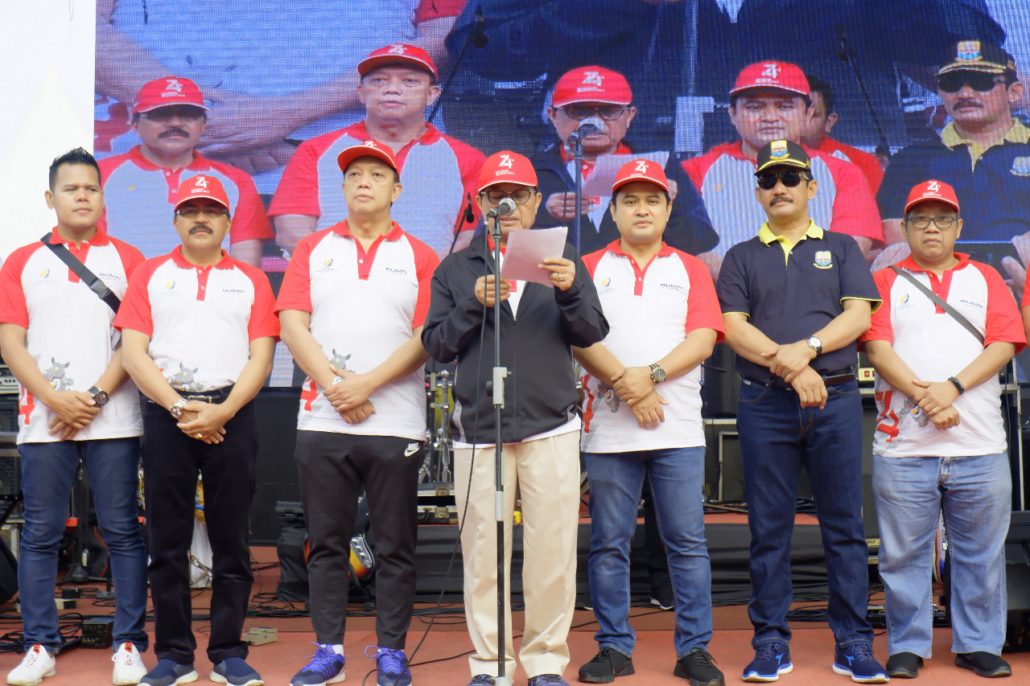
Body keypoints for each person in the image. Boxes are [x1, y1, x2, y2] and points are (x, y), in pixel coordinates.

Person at [421, 151, 608, 686]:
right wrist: (471, 305)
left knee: (552, 553)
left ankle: (545, 662)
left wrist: (570, 289)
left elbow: (592, 331)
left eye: (518, 195)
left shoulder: (562, 259)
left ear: (534, 201)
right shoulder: (458, 267)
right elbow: (436, 345)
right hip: (480, 431)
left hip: (551, 426)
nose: (507, 205)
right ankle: (491, 665)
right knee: (485, 554)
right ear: (480, 203)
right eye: (495, 195)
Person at [716, 140, 887, 684]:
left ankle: (853, 642)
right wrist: (793, 369)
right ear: (758, 192)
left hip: (835, 399)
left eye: (791, 178)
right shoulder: (741, 255)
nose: (780, 188)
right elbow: (733, 328)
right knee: (769, 528)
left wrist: (807, 350)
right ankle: (770, 641)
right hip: (765, 401)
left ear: (812, 187)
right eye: (769, 180)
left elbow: (858, 316)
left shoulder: (841, 247)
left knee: (845, 526)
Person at [276, 140, 439, 686]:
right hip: (323, 419)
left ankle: (391, 651)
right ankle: (328, 652)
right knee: (326, 543)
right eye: (354, 175)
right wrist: (335, 387)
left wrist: (366, 383)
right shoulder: (312, 248)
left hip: (396, 420)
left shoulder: (420, 254)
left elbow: (426, 336)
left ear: (397, 190)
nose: (363, 181)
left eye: (376, 174)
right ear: (342, 188)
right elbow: (292, 325)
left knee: (395, 545)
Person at [116, 175, 279, 686]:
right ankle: (174, 654)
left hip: (232, 413)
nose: (200, 218)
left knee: (232, 541)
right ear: (176, 220)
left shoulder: (251, 279)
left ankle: (228, 651)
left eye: (211, 210)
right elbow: (133, 352)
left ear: (228, 222)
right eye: (190, 210)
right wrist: (179, 408)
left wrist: (222, 411)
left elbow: (262, 357)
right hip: (167, 416)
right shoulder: (150, 274)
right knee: (166, 542)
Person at [0, 148, 149, 686]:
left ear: (103, 197)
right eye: (71, 188)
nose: (82, 196)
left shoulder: (130, 258)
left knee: (122, 530)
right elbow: (11, 342)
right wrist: (54, 399)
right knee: (41, 534)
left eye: (91, 188)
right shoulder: (22, 261)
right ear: (51, 198)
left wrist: (95, 397)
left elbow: (135, 342)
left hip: (116, 417)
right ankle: (40, 643)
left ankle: (129, 643)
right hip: (46, 418)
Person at [863, 180, 1023, 680]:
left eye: (942, 219)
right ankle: (908, 645)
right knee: (901, 556)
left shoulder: (986, 278)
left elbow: (1005, 343)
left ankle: (978, 643)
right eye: (920, 219)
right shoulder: (883, 280)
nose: (931, 227)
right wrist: (927, 398)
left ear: (959, 227)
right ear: (905, 228)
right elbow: (877, 350)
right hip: (904, 446)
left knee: (981, 554)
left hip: (979, 444)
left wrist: (950, 388)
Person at [574, 159, 725, 686]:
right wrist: (628, 386)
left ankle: (695, 650)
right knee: (608, 543)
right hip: (608, 427)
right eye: (630, 201)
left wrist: (651, 377)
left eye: (652, 201)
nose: (642, 209)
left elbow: (703, 339)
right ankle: (614, 647)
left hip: (676, 427)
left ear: (667, 210)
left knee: (686, 543)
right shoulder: (588, 266)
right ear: (613, 212)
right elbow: (579, 338)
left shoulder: (691, 268)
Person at [94, 0, 462, 178]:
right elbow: (74, 26)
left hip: (357, 168)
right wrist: (185, 112)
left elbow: (449, 40)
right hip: (148, 164)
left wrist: (288, 117)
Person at [269, 43, 486, 259]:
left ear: (432, 94)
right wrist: (338, 272)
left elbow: (467, 240)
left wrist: (422, 274)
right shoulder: (316, 150)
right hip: (331, 276)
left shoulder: (468, 159)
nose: (392, 89)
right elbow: (291, 231)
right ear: (362, 93)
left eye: (409, 81)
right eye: (379, 81)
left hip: (431, 279)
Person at [683, 61, 884, 280]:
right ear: (732, 114)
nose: (770, 117)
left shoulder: (843, 172)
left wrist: (783, 286)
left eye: (785, 106)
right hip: (723, 294)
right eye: (754, 107)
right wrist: (745, 282)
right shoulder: (694, 171)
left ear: (808, 113)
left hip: (813, 295)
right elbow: (684, 248)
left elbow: (848, 249)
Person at [875, 40, 1030, 278]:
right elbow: (899, 243)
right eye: (951, 83)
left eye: (981, 82)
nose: (964, 93)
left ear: (1014, 92)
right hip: (937, 286)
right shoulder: (910, 160)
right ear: (940, 92)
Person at [532, 66, 717, 257]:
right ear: (553, 115)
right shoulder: (531, 172)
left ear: (630, 116)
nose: (594, 122)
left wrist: (667, 207)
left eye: (609, 111)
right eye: (578, 111)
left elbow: (700, 242)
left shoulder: (660, 166)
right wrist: (544, 214)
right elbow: (515, 251)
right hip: (561, 276)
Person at [98, 76, 273, 266]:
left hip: (212, 285)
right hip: (122, 285)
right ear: (136, 126)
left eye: (188, 115)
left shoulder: (236, 180)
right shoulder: (99, 174)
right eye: (161, 114)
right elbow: (87, 250)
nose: (175, 124)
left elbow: (246, 264)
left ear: (203, 125)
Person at [801, 75, 885, 194]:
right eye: (789, 112)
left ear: (829, 122)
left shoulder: (861, 164)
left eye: (813, 115)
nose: (799, 121)